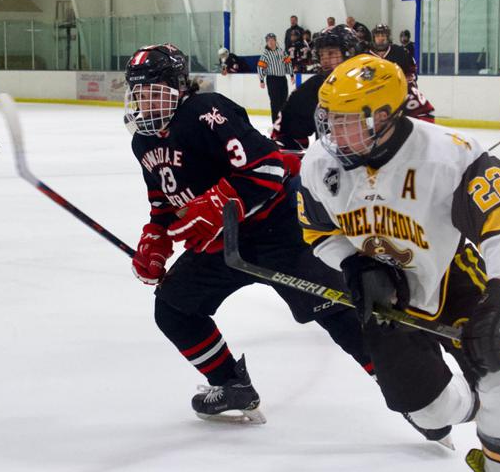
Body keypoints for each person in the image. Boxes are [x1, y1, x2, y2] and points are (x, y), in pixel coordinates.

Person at [298, 53, 500, 472]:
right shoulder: (319, 165)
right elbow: (317, 231)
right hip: (384, 302)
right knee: (431, 414)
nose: (333, 134)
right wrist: (354, 263)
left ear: (385, 116)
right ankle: (469, 406)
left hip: (454, 283)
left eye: (348, 122)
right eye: (330, 120)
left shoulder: (450, 154)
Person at [123, 44, 376, 423]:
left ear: (179, 88)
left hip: (279, 230)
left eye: (155, 92)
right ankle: (231, 385)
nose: (147, 102)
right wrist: (155, 240)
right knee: (174, 307)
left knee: (338, 313)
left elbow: (269, 171)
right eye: (139, 94)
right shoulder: (143, 142)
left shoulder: (205, 112)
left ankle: (413, 393)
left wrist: (219, 204)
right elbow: (164, 201)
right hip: (223, 245)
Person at [272, 25, 360, 151]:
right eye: (322, 55)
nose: (325, 60)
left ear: (350, 53)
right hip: (331, 162)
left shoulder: (370, 82)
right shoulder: (315, 87)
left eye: (331, 53)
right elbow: (288, 131)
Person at [369, 24, 435, 123]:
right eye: (378, 36)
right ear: (373, 38)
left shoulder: (400, 52)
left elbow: (411, 72)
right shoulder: (367, 55)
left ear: (388, 37)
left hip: (397, 95)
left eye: (383, 35)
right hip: (375, 97)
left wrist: (407, 86)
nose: (381, 38)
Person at [257, 33, 294, 125]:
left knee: (284, 102)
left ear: (275, 41)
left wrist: (292, 75)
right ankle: (275, 124)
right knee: (275, 103)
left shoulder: (281, 51)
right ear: (267, 42)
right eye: (269, 40)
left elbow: (288, 63)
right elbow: (260, 68)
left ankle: (283, 123)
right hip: (272, 80)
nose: (271, 42)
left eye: (273, 40)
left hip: (282, 79)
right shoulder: (265, 54)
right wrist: (261, 80)